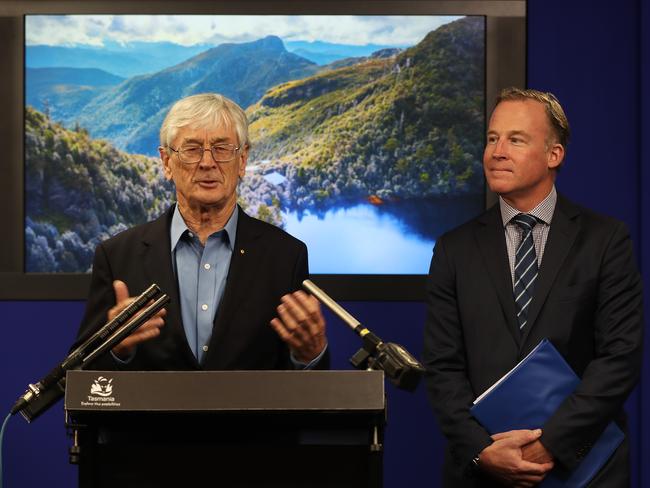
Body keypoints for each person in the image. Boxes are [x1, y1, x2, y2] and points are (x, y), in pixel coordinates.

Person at [422, 88, 643, 487]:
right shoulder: (452, 249)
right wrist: (482, 449)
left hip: (584, 471)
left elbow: (619, 359)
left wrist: (550, 444)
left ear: (554, 155)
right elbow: (442, 368)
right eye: (492, 138)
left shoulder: (605, 240)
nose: (497, 151)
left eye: (516, 139)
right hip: (481, 472)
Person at [75, 93, 328, 371]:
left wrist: (310, 355)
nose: (208, 163)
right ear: (167, 162)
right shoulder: (117, 256)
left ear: (242, 160)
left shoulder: (286, 256)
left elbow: (304, 392)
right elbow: (81, 379)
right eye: (192, 149)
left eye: (222, 149)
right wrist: (115, 347)